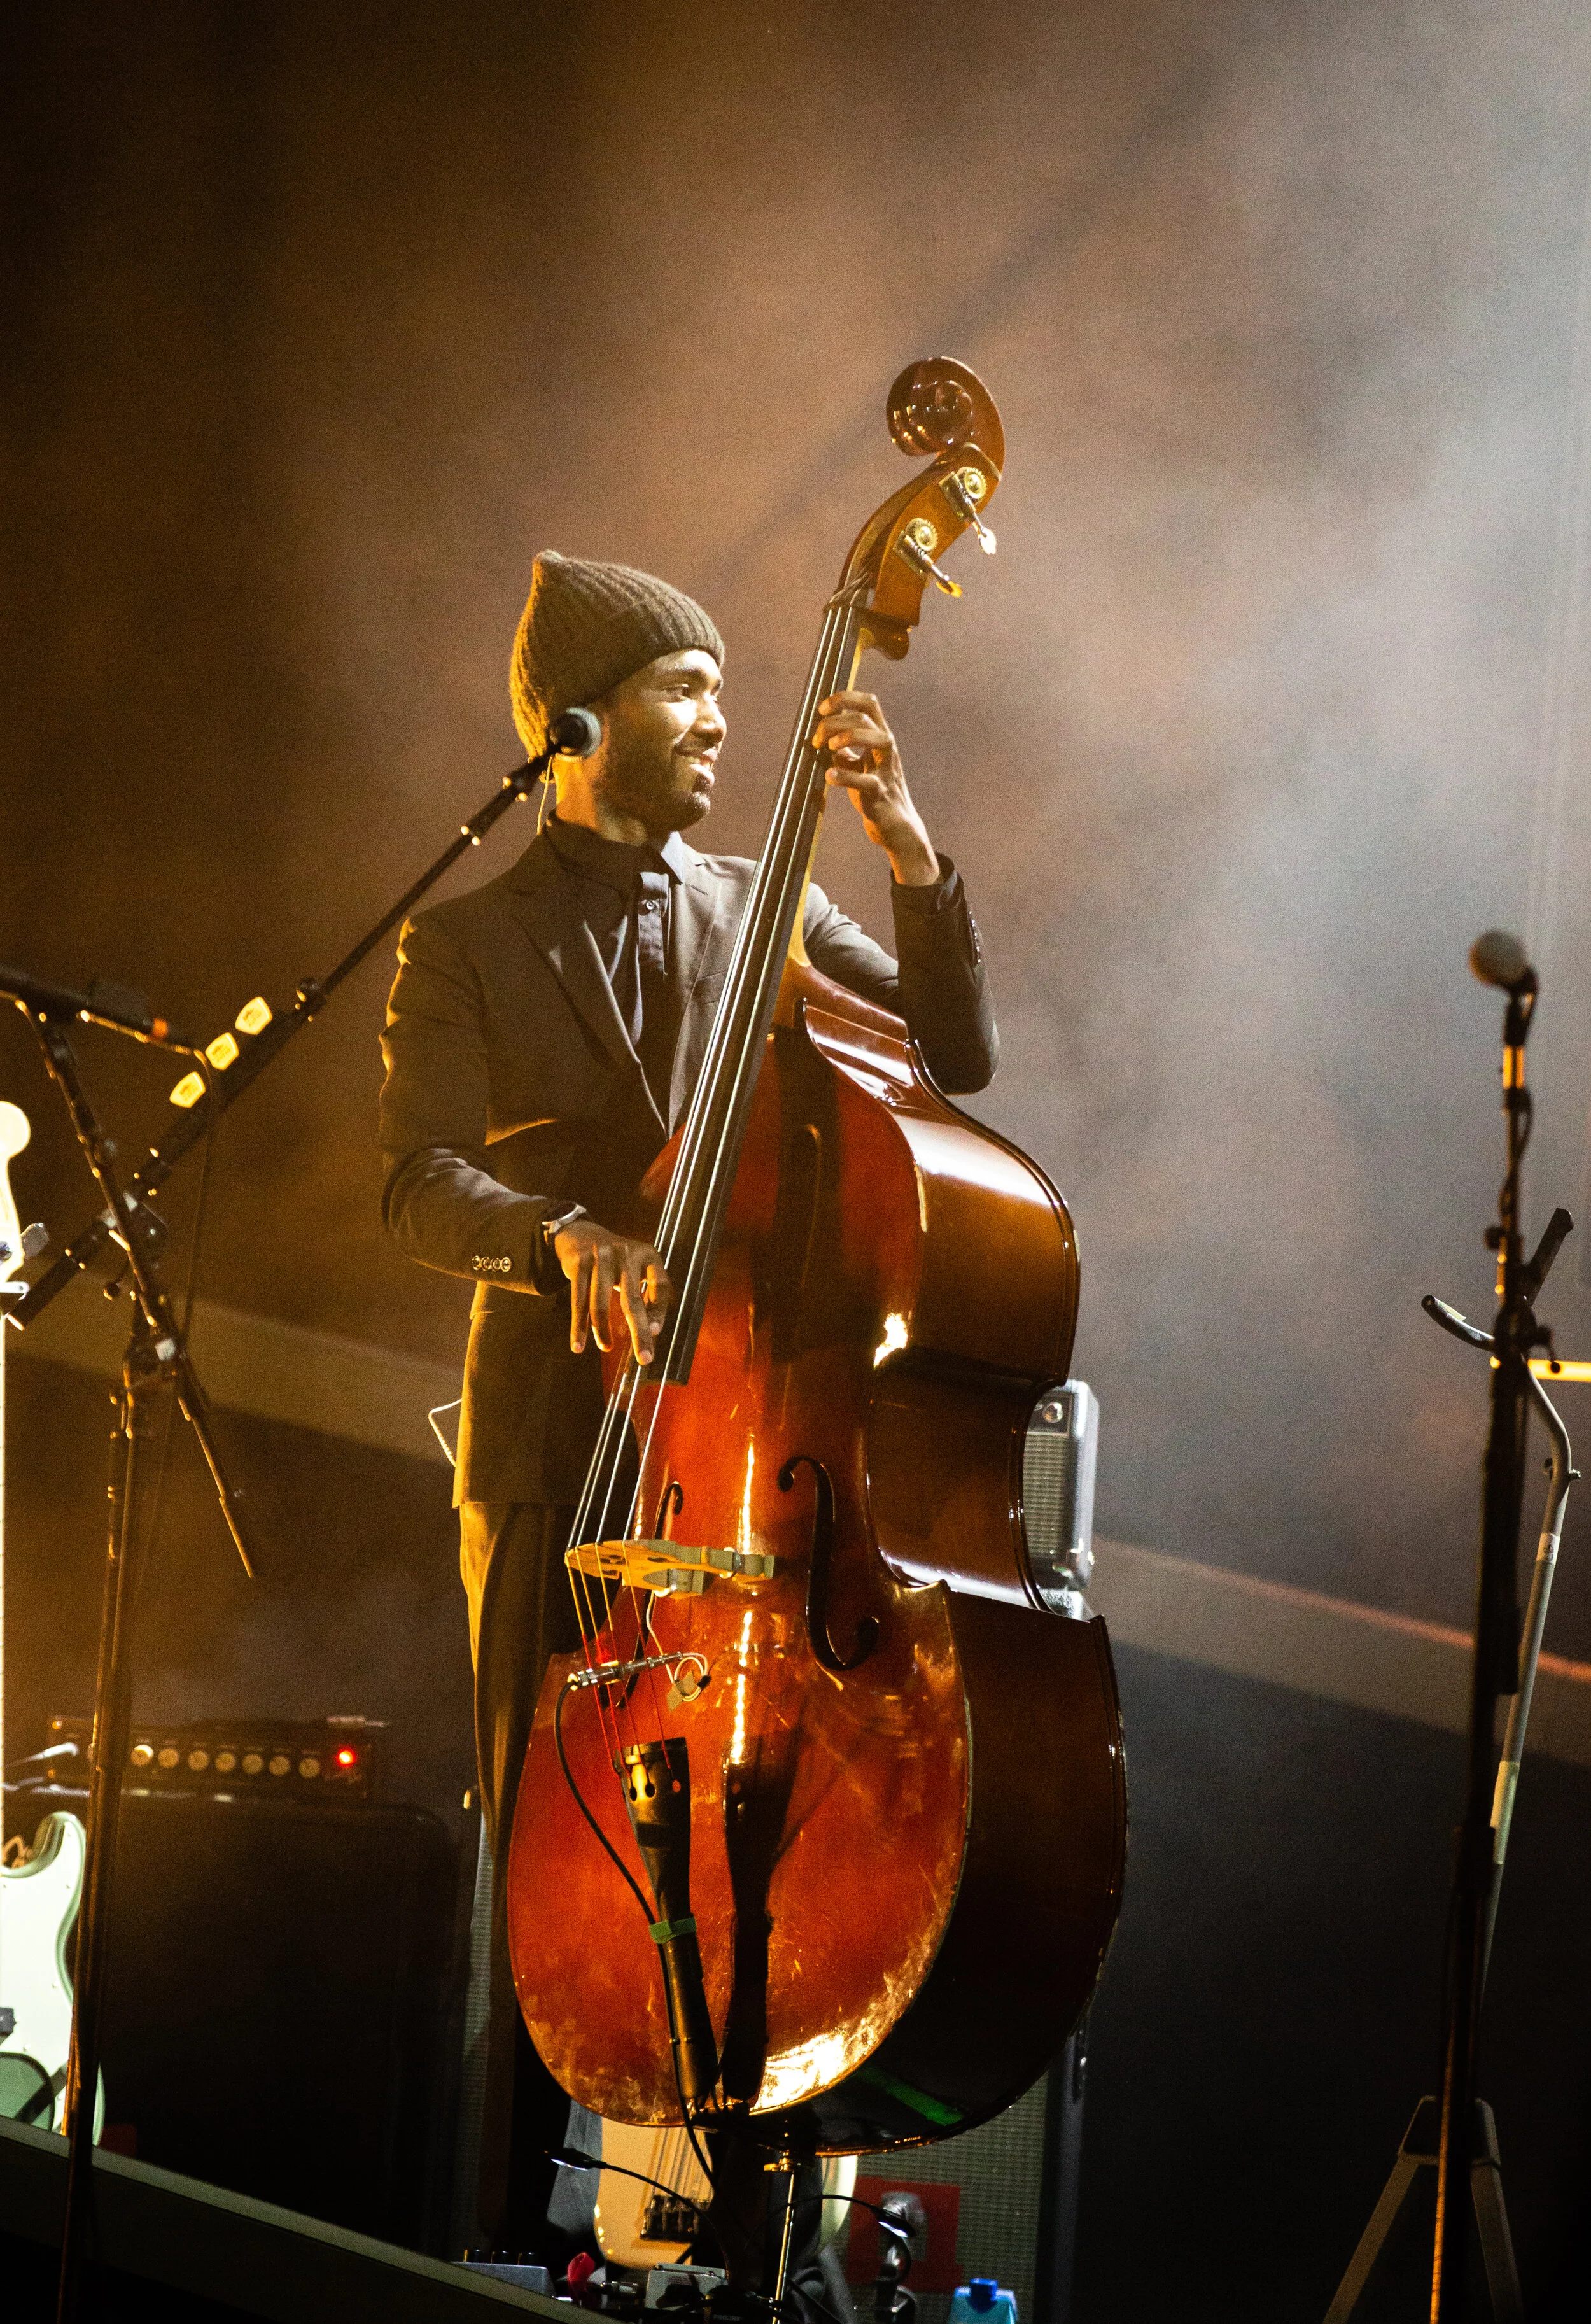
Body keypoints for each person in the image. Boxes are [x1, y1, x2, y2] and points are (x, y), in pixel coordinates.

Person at [378, 549, 998, 2248]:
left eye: (730, 686)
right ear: (574, 720)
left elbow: (958, 1048)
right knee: (536, 1839)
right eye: (679, 687)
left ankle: (732, 2245)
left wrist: (907, 846)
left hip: (740, 1467)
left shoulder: (762, 902)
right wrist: (559, 1236)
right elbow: (410, 1181)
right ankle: (501, 2239)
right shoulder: (468, 944)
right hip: (553, 1453)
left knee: (752, 1850)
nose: (723, 717)